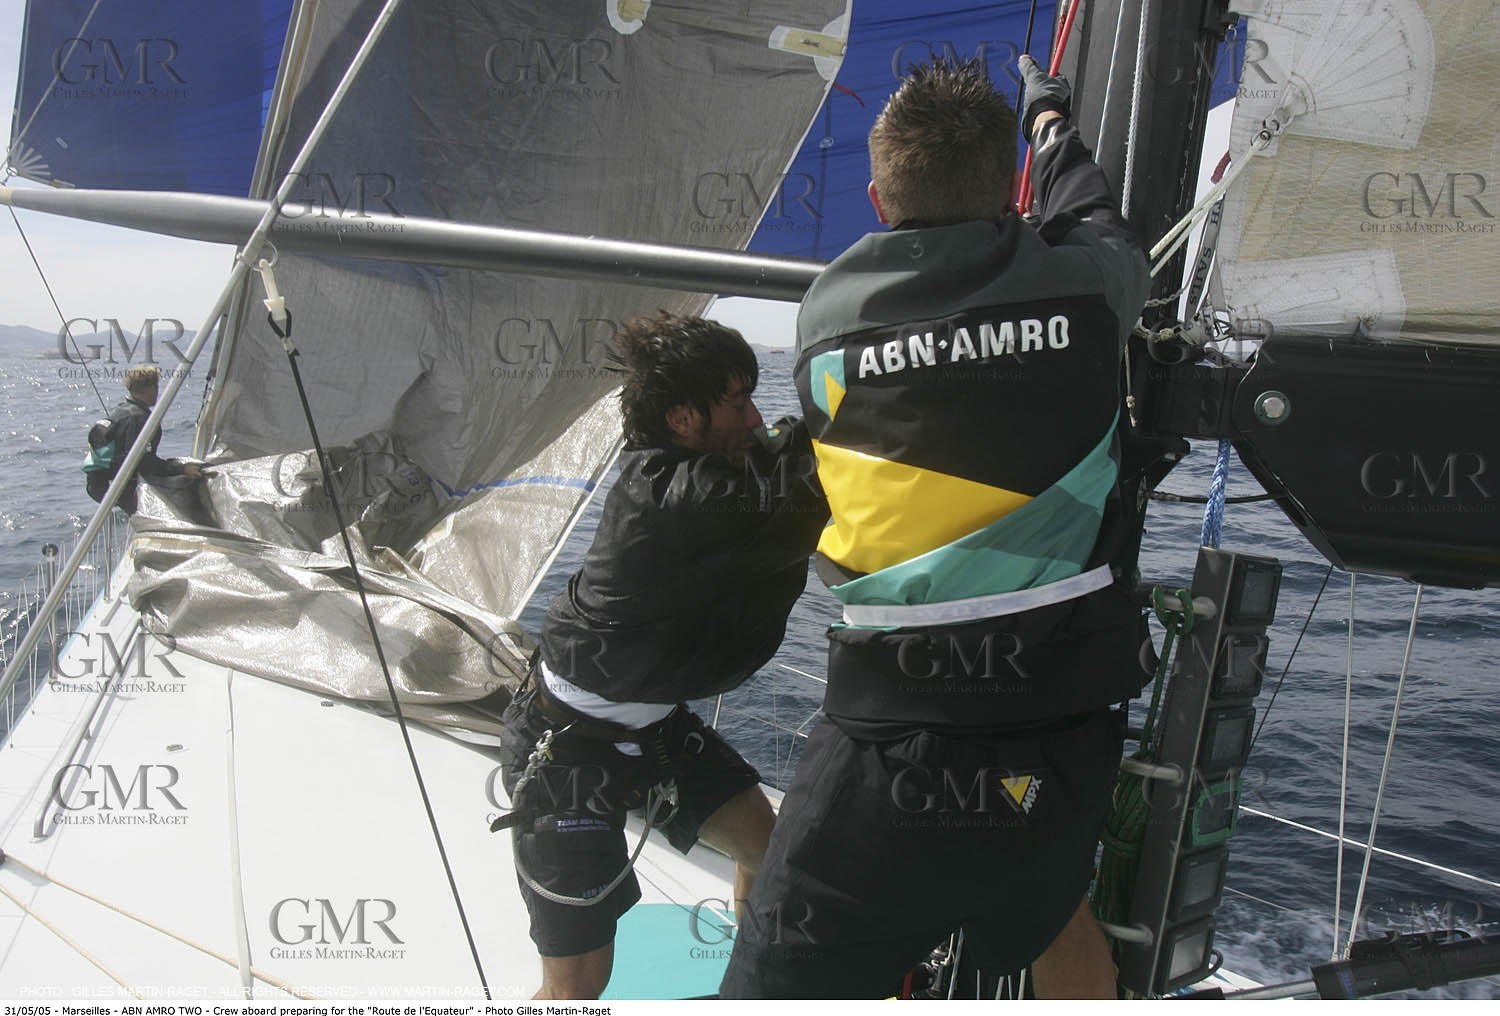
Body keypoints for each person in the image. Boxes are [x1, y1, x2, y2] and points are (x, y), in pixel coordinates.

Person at [719, 56, 1153, 999]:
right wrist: (1051, 123)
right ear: (1012, 192)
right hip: (1064, 712)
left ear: (877, 198)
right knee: (1052, 914)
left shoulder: (826, 315)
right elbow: (1102, 226)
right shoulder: (1092, 286)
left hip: (895, 722)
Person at [496, 311, 827, 999]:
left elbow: (775, 463)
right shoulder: (675, 499)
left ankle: (746, 992)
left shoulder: (693, 470)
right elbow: (789, 492)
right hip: (569, 750)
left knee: (762, 846)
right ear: (683, 418)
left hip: (648, 726)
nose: (752, 418)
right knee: (579, 980)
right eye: (737, 404)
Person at [84, 365, 202, 513]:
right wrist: (182, 468)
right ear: (151, 388)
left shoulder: (122, 410)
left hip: (99, 484)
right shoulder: (139, 418)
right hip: (118, 486)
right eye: (156, 387)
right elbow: (144, 463)